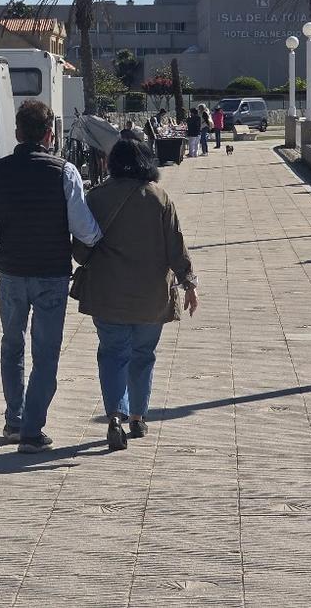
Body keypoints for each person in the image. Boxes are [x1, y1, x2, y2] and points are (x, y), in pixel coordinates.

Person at [0, 100, 103, 453]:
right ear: (50, 134)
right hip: (51, 273)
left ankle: (14, 420)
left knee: (12, 345)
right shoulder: (65, 172)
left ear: (17, 132)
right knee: (46, 354)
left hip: (12, 272)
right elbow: (85, 230)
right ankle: (31, 428)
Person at [72, 139, 197, 451]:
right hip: (151, 296)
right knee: (143, 356)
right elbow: (175, 246)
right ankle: (139, 416)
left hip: (107, 293)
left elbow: (80, 250)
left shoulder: (97, 197)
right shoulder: (159, 198)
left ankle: (115, 415)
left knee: (113, 355)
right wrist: (189, 282)